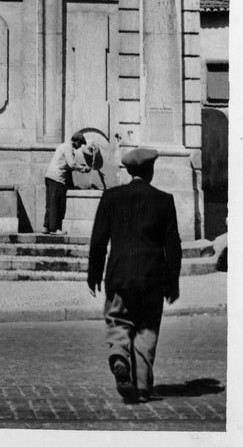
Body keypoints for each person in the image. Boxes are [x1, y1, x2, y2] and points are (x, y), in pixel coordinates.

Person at [87, 147, 182, 404]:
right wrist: (172, 283)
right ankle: (141, 387)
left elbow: (98, 240)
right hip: (153, 277)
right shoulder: (164, 200)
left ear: (128, 171)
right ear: (150, 171)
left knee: (119, 320)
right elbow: (173, 246)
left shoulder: (112, 197)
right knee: (147, 329)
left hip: (120, 275)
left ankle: (119, 356)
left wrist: (94, 273)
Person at [43, 132, 91, 233]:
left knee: (50, 203)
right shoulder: (69, 148)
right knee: (58, 204)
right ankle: (54, 229)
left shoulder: (62, 146)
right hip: (57, 178)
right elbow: (72, 164)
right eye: (80, 144)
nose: (79, 148)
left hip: (50, 176)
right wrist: (84, 169)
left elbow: (67, 165)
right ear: (77, 142)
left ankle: (46, 227)